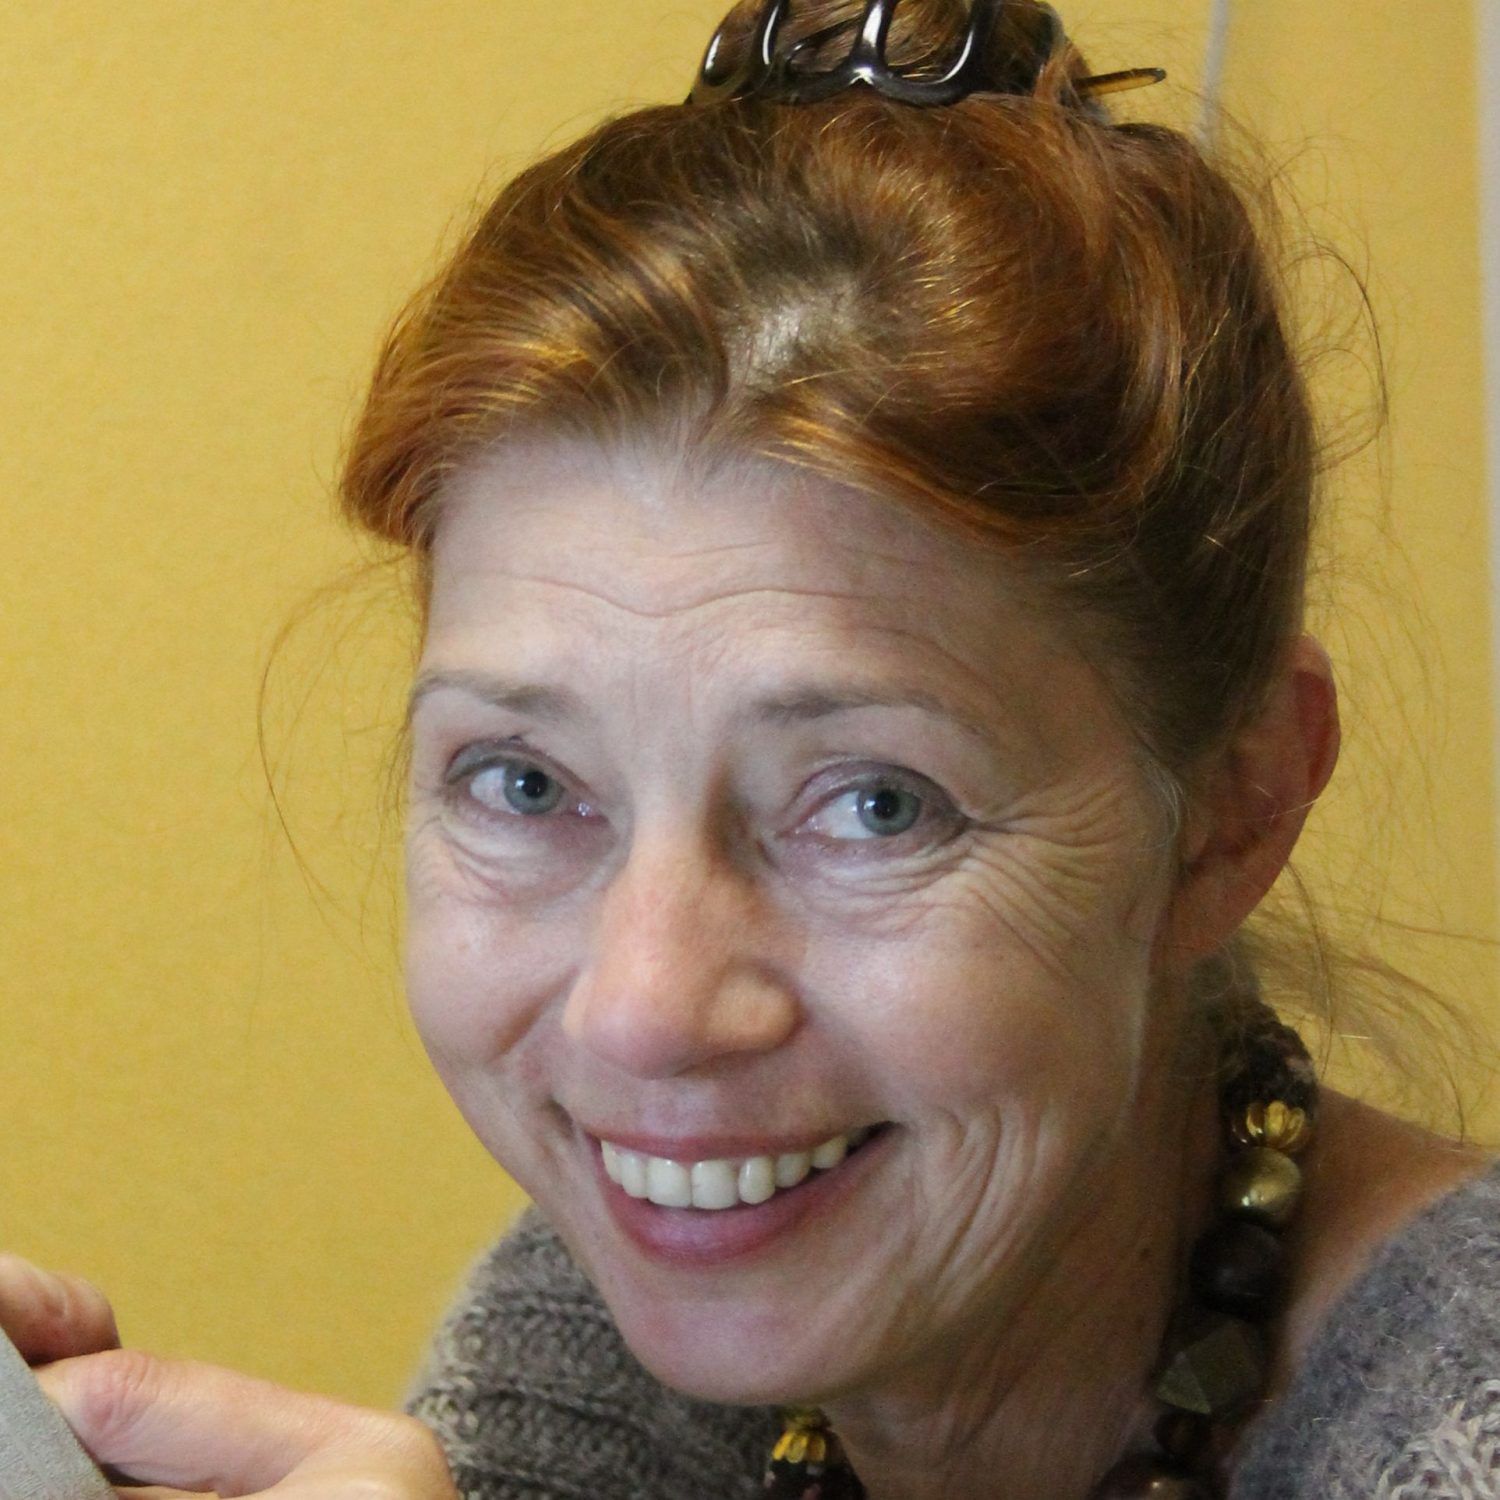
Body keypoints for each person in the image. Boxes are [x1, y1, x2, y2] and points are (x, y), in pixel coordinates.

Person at [3, 1, 1497, 1496]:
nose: (644, 1012)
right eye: (526, 784)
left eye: (875, 805)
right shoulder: (603, 1358)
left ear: (1237, 806)